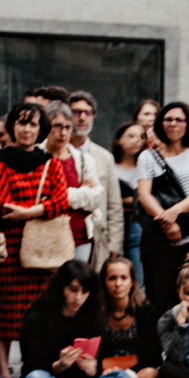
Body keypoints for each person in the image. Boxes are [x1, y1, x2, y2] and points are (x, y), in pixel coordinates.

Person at [0, 101, 71, 377]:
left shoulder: (50, 162)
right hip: (9, 248)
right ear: (12, 126)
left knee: (44, 311)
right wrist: (38, 210)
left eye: (33, 124)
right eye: (21, 122)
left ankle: (35, 365)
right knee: (6, 314)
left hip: (45, 247)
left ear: (41, 129)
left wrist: (28, 211)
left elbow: (61, 200)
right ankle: (3, 370)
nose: (26, 129)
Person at [19, 259, 143, 378]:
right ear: (61, 288)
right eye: (73, 290)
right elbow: (30, 368)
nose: (78, 297)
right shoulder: (38, 318)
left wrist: (92, 369)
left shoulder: (93, 317)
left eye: (84, 292)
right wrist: (59, 365)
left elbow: (98, 364)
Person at [137, 101, 189, 316]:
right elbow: (144, 194)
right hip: (157, 238)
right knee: (158, 299)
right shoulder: (148, 157)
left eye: (179, 119)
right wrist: (167, 222)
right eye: (168, 119)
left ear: (188, 124)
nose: (173, 124)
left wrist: (174, 213)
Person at [41, 101, 103, 264]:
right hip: (45, 236)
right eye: (57, 126)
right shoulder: (38, 155)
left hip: (79, 237)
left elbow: (96, 198)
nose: (63, 133)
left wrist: (58, 195)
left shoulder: (83, 159)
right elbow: (38, 196)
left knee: (77, 285)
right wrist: (80, 192)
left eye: (68, 127)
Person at [67, 92, 123, 266]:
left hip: (97, 237)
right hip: (63, 234)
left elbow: (114, 205)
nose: (82, 118)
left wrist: (115, 245)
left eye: (88, 113)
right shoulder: (55, 153)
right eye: (76, 112)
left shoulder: (104, 157)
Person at [99, 255, 161, 378]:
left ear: (132, 281)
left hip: (137, 371)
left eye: (123, 278)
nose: (118, 284)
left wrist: (126, 371)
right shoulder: (96, 314)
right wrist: (108, 369)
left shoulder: (146, 312)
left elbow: (152, 357)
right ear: (104, 282)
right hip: (106, 370)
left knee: (150, 374)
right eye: (112, 278)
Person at [111, 120, 147, 285]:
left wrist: (127, 201)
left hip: (137, 226)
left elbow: (145, 198)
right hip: (113, 226)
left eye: (141, 137)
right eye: (131, 136)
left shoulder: (146, 167)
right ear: (119, 139)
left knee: (138, 273)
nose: (136, 140)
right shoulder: (110, 165)